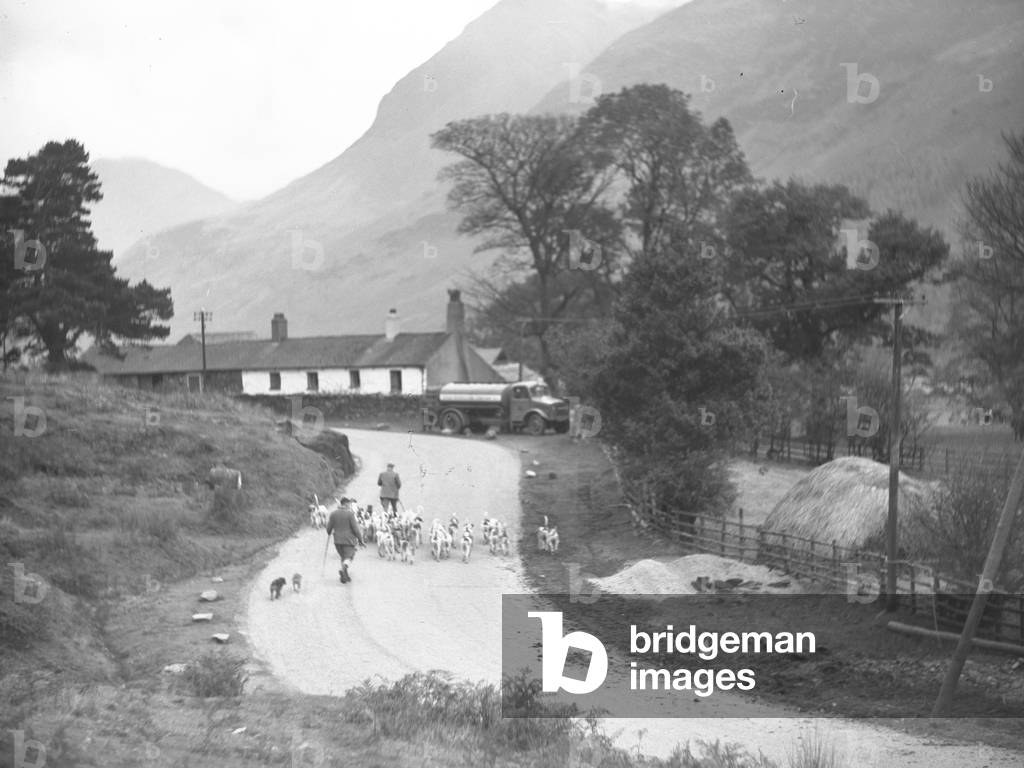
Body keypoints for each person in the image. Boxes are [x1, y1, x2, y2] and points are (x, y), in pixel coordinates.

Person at [326, 497, 365, 584]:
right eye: (349, 504)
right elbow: (356, 529)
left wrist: (329, 532)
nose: (350, 506)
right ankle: (343, 569)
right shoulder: (350, 514)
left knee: (343, 557)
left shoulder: (333, 514)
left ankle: (345, 575)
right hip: (349, 540)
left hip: (337, 540)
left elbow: (328, 528)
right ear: (346, 504)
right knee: (349, 557)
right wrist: (361, 540)